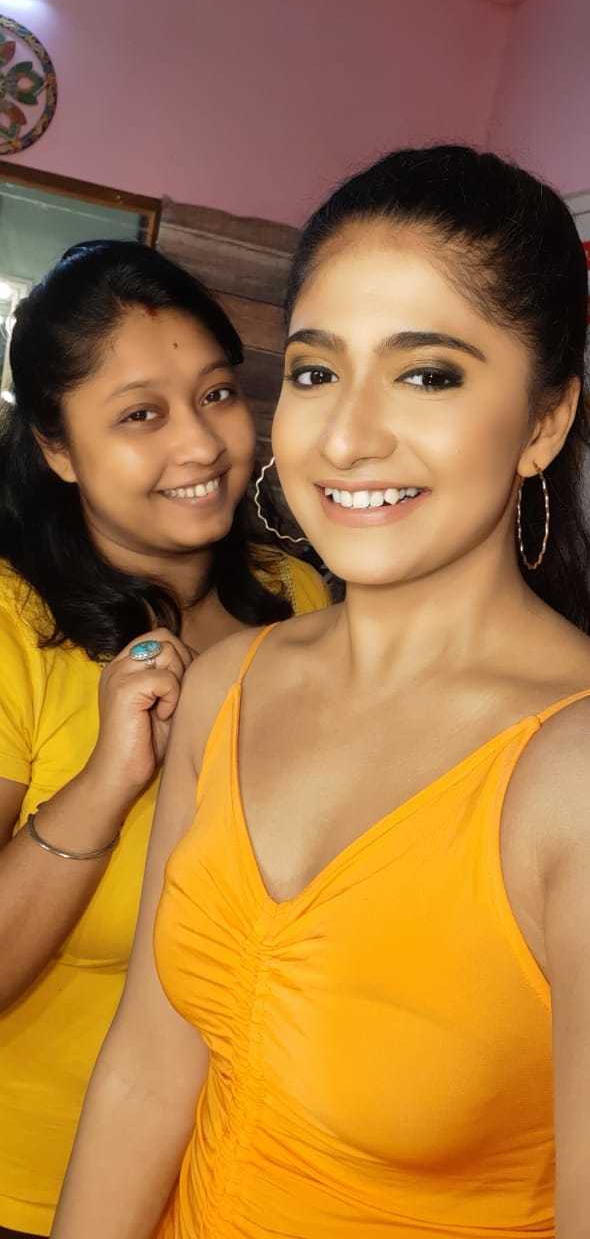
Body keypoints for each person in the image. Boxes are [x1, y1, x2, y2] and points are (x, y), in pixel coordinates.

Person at [53, 147, 590, 1239]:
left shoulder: (568, 783)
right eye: (313, 372)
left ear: (543, 421)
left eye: (427, 374)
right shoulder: (228, 685)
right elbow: (148, 1070)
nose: (345, 437)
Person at [0, 240, 329, 1239]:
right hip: (30, 1190)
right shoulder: (13, 624)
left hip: (231, 1184)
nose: (201, 444)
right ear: (57, 448)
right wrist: (109, 779)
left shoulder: (299, 600)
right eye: (141, 414)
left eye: (217, 393)